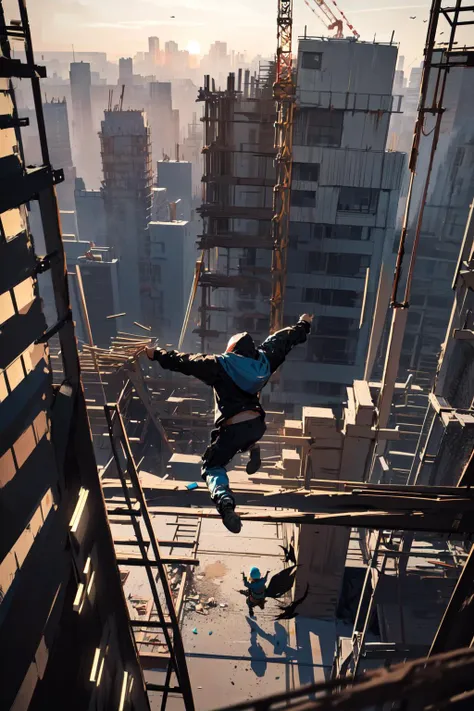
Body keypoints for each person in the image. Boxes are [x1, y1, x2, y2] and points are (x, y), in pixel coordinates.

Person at [141, 314, 313, 533]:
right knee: (240, 438)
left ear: (232, 349)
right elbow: (284, 340)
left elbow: (186, 361)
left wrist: (156, 354)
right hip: (256, 424)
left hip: (234, 425)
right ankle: (253, 448)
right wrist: (304, 324)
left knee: (211, 466)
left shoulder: (221, 364)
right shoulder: (265, 360)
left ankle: (225, 504)